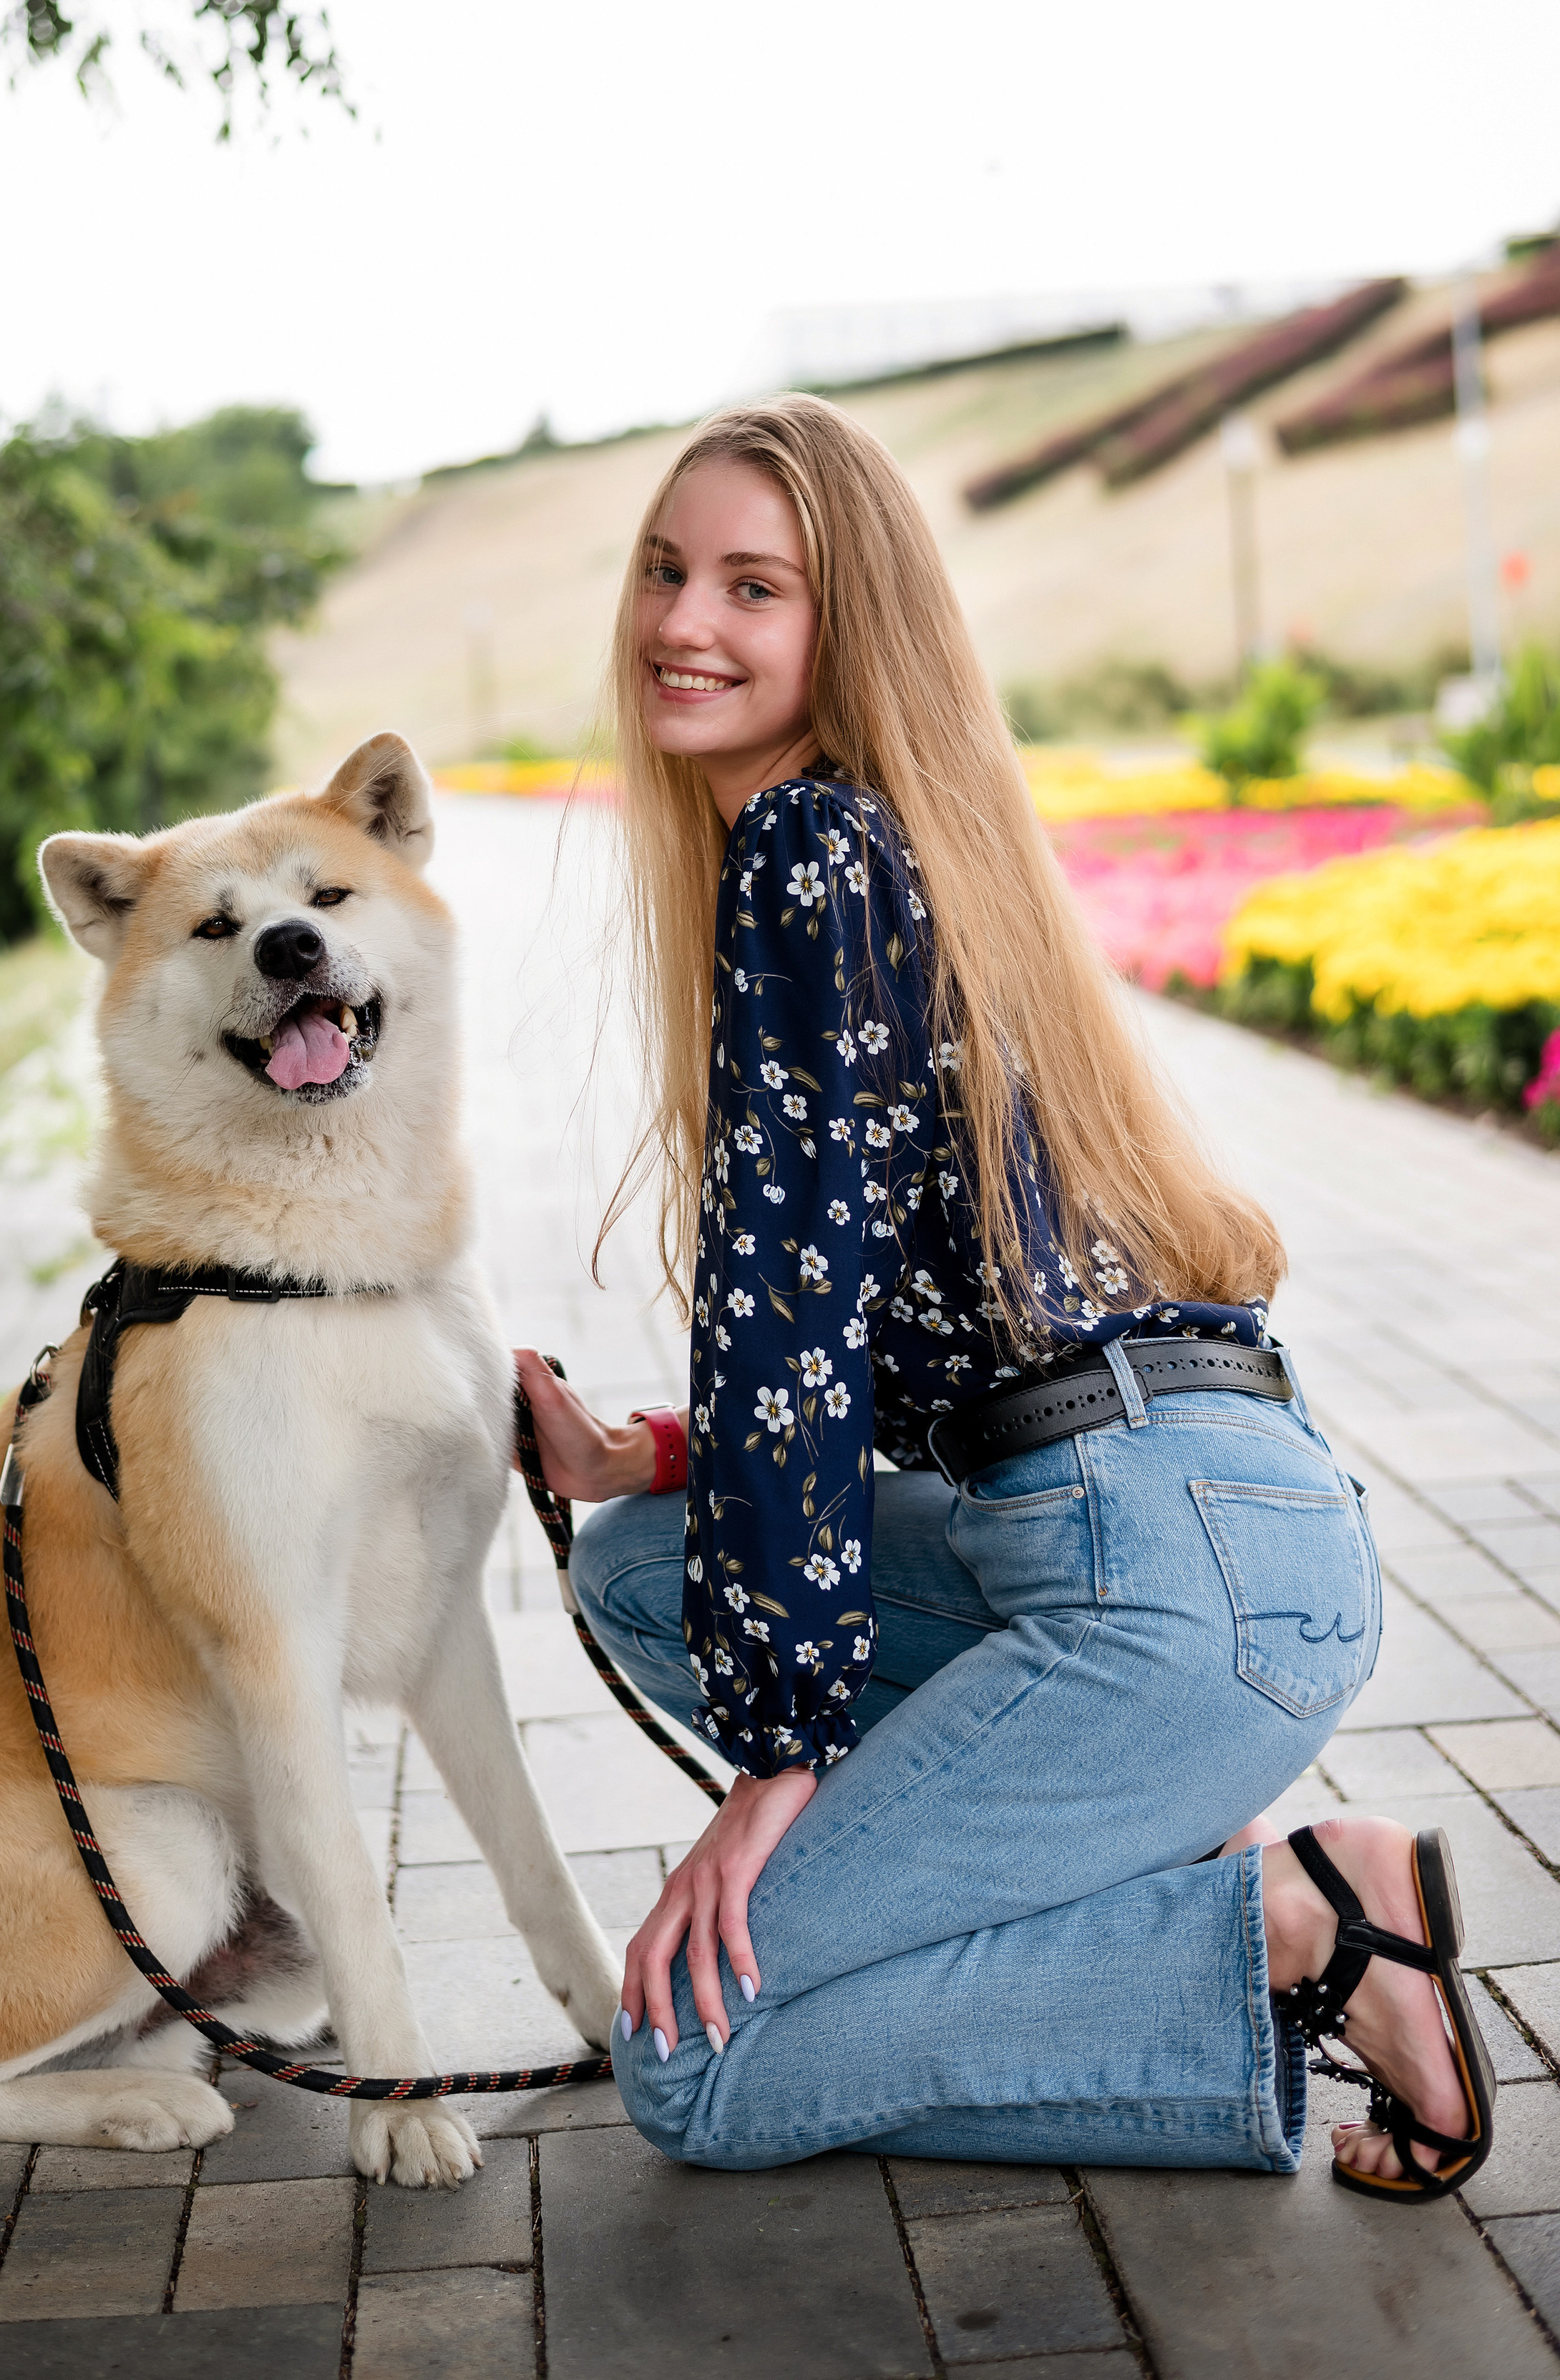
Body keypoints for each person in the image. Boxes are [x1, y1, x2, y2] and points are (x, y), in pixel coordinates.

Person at [514, 394, 1492, 2201]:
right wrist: (651, 1449)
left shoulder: (809, 854)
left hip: (1156, 1589)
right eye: (665, 571)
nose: (682, 623)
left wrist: (778, 1767)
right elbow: (919, 1320)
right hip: (1229, 1533)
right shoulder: (899, 844)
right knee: (641, 1569)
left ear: (846, 623)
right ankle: (1165, 1858)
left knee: (692, 2065)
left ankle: (1299, 1925)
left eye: (753, 586)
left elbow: (792, 1338)